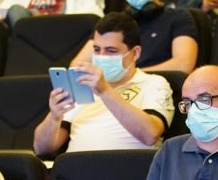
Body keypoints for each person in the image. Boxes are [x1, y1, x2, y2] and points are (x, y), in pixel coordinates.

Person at [34, 12, 174, 157]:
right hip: (72, 173)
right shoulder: (83, 86)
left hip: (127, 171)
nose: (102, 57)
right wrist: (54, 116)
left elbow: (150, 135)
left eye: (111, 51)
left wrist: (104, 91)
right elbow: (42, 149)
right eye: (97, 50)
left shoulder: (154, 83)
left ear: (135, 53)